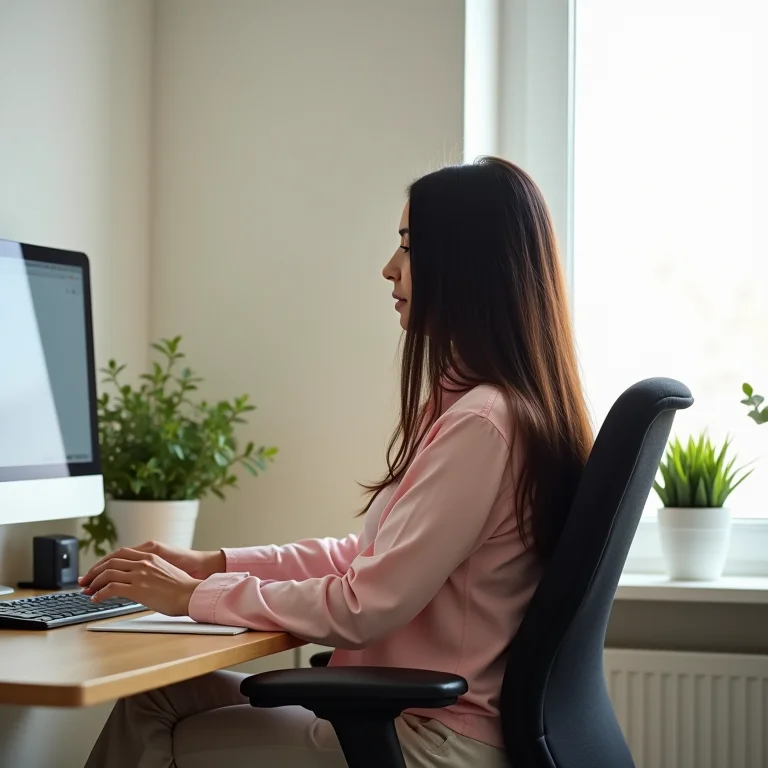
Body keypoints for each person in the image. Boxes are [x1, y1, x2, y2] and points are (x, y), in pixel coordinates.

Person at [81, 157, 593, 768]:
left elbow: (362, 605)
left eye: (408, 247)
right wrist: (215, 563)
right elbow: (365, 560)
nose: (389, 268)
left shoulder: (483, 424)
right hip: (415, 717)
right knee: (156, 698)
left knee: (156, 722)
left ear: (468, 265)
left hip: (433, 740)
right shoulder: (481, 408)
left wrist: (196, 595)